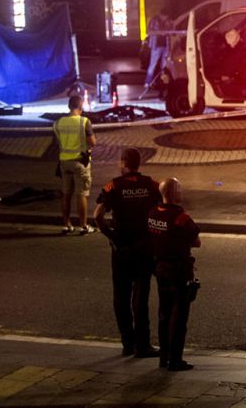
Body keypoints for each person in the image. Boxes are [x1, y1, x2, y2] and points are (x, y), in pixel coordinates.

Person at [94, 148, 162, 359]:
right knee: (141, 297)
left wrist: (111, 235)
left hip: (122, 249)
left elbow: (97, 216)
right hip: (144, 248)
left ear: (123, 162)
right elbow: (160, 212)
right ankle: (144, 345)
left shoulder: (113, 186)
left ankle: (128, 343)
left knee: (121, 296)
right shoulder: (151, 185)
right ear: (139, 164)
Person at [147, 178, 201, 371]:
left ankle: (164, 356)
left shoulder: (153, 213)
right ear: (175, 192)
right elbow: (196, 241)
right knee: (179, 317)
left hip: (160, 267)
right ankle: (175, 359)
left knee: (164, 313)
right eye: (179, 188)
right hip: (179, 269)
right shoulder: (181, 218)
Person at [53, 95, 96, 234]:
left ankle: (66, 225)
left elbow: (57, 142)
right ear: (81, 106)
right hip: (80, 163)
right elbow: (92, 142)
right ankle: (83, 226)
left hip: (64, 163)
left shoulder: (58, 123)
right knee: (81, 194)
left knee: (66, 194)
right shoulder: (84, 122)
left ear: (69, 106)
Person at [143, 8, 172, 97]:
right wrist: (159, 33)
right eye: (164, 17)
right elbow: (149, 31)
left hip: (166, 46)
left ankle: (162, 84)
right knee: (153, 64)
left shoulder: (168, 21)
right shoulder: (154, 21)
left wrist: (167, 33)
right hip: (156, 46)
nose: (165, 18)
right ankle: (147, 83)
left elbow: (172, 30)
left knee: (164, 66)